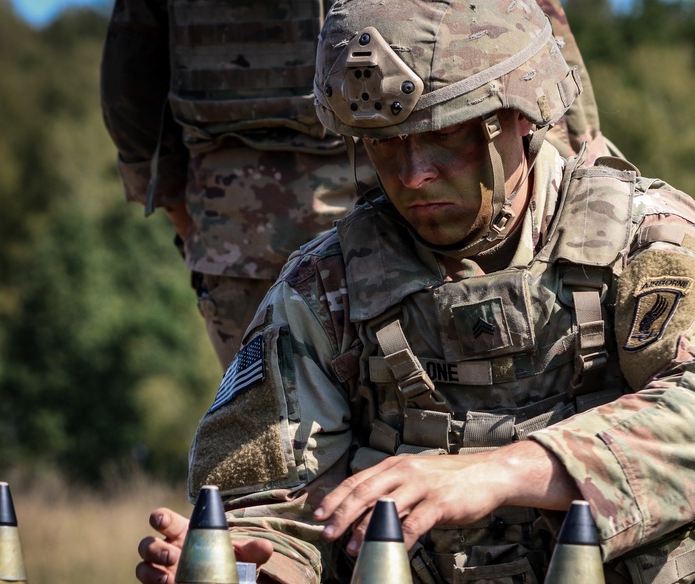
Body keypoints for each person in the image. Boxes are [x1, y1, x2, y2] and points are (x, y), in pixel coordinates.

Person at [134, 0, 695, 584]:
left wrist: (501, 470)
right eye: (386, 146)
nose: (415, 174)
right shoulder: (324, 285)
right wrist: (254, 567)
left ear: (520, 117)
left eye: (445, 138)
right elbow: (272, 495)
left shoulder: (639, 234)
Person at [99, 0, 611, 369]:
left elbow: (530, 28)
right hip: (254, 229)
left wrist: (579, 179)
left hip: (452, 192)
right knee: (292, 458)